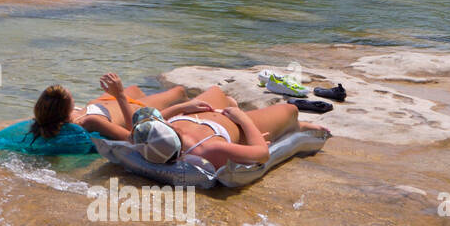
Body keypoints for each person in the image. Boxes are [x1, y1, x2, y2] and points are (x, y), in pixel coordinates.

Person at [132, 85, 329, 168]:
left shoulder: (148, 140)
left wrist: (183, 107)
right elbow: (261, 153)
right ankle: (298, 126)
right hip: (238, 124)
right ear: (176, 131)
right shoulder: (208, 148)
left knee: (217, 91)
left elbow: (151, 119)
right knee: (290, 110)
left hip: (208, 113)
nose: (164, 120)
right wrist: (243, 119)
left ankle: (231, 103)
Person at [0, 75, 188, 155]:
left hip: (100, 103)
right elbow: (133, 136)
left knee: (134, 87)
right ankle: (188, 100)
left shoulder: (45, 120)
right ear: (67, 110)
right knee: (178, 92)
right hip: (125, 108)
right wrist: (119, 96)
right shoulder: (90, 122)